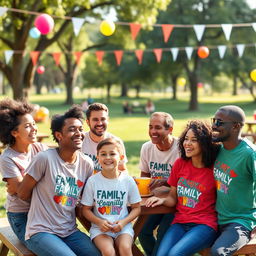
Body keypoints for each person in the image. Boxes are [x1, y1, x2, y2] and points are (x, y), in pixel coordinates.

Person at [17, 105, 100, 256]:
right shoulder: (45, 159)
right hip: (40, 231)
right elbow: (22, 193)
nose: (79, 133)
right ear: (59, 135)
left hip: (69, 231)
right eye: (72, 129)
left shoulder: (86, 163)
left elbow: (86, 199)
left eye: (81, 129)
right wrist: (44, 203)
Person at [146, 120, 220, 256]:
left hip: (205, 225)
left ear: (205, 143)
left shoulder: (215, 169)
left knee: (175, 254)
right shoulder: (180, 164)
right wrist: (162, 200)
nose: (187, 144)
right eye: (186, 139)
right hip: (180, 222)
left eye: (194, 140)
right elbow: (172, 198)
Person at [81, 138, 141, 256]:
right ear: (97, 157)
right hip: (100, 229)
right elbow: (85, 210)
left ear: (121, 158)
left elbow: (137, 208)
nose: (108, 157)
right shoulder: (93, 181)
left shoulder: (128, 180)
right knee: (108, 251)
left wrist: (123, 222)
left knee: (125, 248)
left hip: (123, 227)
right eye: (103, 154)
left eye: (112, 153)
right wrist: (99, 222)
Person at [0, 98, 48, 245]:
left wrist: (25, 185)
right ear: (14, 132)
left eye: (34, 124)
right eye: (28, 126)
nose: (34, 128)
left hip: (42, 213)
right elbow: (23, 193)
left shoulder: (40, 148)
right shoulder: (7, 158)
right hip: (21, 216)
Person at [210, 105, 256, 256]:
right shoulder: (218, 149)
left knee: (218, 253)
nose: (214, 125)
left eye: (220, 122)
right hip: (214, 218)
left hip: (240, 222)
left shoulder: (249, 154)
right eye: (214, 120)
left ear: (236, 126)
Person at [138, 112, 179, 256]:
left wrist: (166, 182)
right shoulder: (147, 148)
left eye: (158, 127)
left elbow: (187, 182)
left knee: (163, 232)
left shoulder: (181, 148)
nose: (153, 131)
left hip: (177, 202)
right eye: (150, 127)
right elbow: (145, 178)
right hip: (155, 200)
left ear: (170, 129)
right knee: (142, 231)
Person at [81, 102, 127, 173]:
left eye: (103, 119)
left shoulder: (116, 142)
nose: (99, 123)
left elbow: (122, 169)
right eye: (95, 120)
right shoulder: (80, 140)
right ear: (88, 122)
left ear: (107, 120)